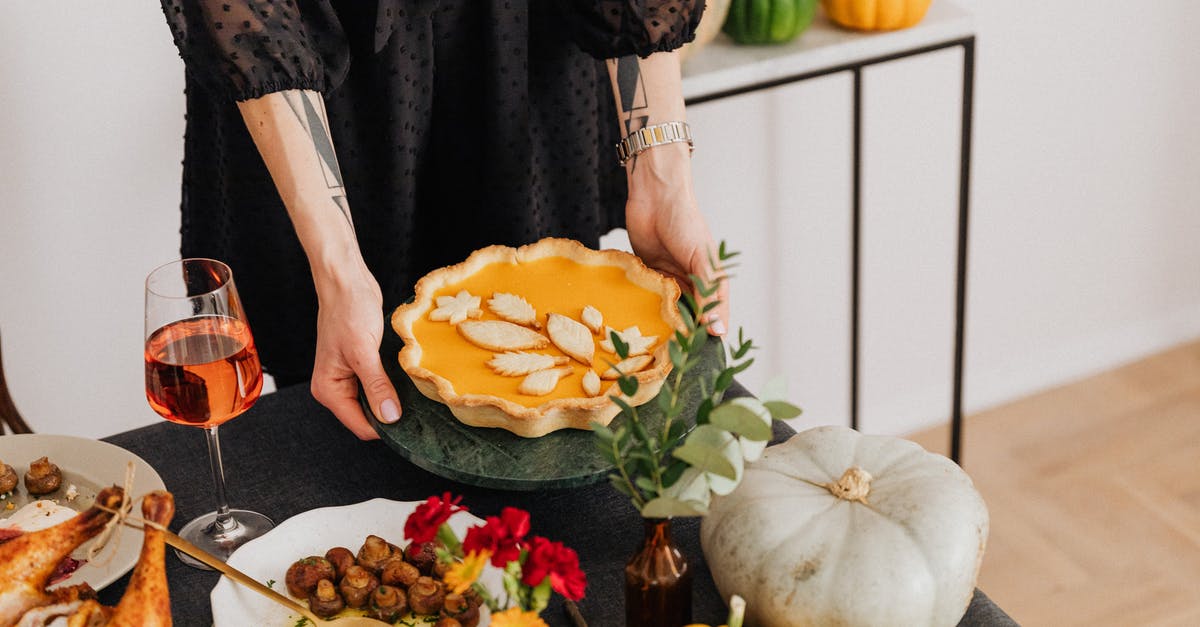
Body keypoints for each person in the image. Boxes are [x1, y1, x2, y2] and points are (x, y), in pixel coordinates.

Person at [159, 0, 728, 440]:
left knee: (550, 399)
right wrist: (338, 270)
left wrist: (663, 178)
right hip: (311, 80)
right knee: (344, 410)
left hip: (519, 45)